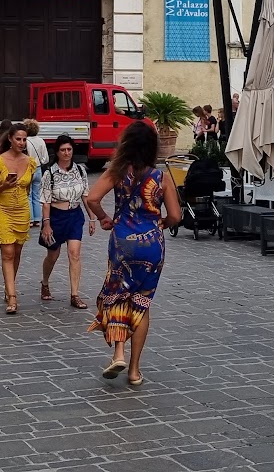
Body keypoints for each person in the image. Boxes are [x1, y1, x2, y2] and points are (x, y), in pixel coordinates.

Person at [85, 120, 181, 386]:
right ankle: (135, 371)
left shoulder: (117, 171)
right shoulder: (162, 177)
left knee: (118, 296)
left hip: (122, 241)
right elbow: (175, 215)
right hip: (151, 244)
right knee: (142, 302)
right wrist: (162, 222)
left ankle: (118, 353)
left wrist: (105, 218)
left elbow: (92, 198)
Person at [39, 134, 94, 307]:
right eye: (63, 150)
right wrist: (46, 224)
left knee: (74, 254)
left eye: (69, 149)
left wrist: (92, 218)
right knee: (53, 254)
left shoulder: (80, 170)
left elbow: (86, 196)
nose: (66, 153)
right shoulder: (50, 173)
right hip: (56, 217)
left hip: (74, 216)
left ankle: (75, 294)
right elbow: (46, 201)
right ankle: (45, 282)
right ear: (57, 152)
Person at [0, 124, 34, 314]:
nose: (21, 143)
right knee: (7, 252)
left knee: (16, 251)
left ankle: (9, 287)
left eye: (24, 139)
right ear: (10, 139)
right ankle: (13, 297)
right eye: (18, 139)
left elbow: (28, 189)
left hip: (22, 209)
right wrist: (4, 186)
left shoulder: (30, 161)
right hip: (2, 209)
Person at [25, 119, 49, 246]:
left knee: (28, 195)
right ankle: (37, 219)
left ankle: (29, 219)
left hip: (29, 169)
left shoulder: (26, 141)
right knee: (36, 195)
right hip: (39, 169)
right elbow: (45, 158)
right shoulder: (41, 140)